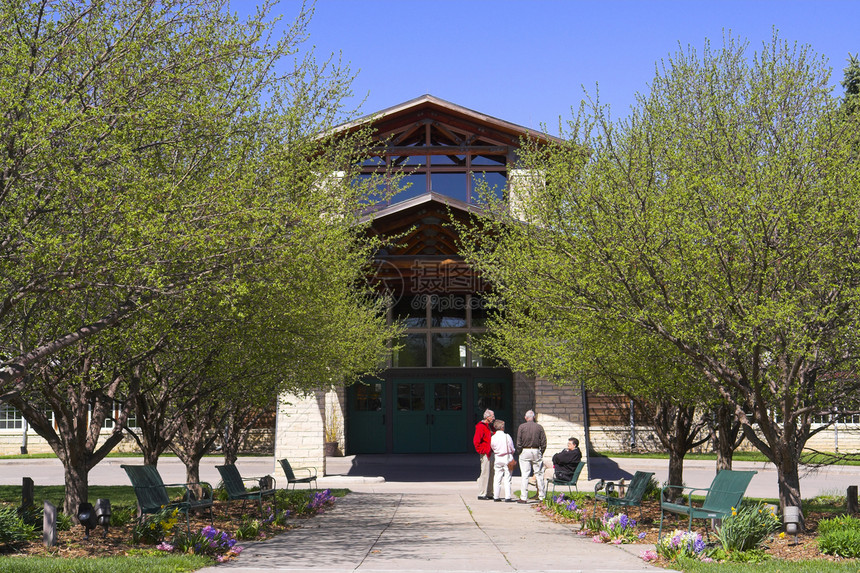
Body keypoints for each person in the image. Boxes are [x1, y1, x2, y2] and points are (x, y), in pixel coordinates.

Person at [516, 409, 547, 503]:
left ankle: (523, 497)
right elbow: (544, 442)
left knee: (525, 475)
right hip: (536, 450)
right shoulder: (539, 427)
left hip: (525, 450)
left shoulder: (521, 427)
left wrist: (519, 451)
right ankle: (542, 496)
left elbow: (518, 442)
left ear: (526, 418)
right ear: (534, 417)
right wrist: (541, 451)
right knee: (539, 474)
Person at [490, 419, 516, 502]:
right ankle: (507, 496)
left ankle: (496, 496)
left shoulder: (493, 437)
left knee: (497, 477)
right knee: (507, 478)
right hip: (506, 457)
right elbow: (512, 448)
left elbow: (492, 447)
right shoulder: (507, 436)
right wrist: (512, 452)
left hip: (498, 457)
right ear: (502, 427)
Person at [473, 408, 495, 500]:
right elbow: (476, 441)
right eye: (492, 416)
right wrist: (482, 451)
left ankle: (490, 492)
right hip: (486, 453)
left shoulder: (490, 426)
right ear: (487, 417)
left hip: (492, 452)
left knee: (492, 473)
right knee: (485, 473)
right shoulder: (481, 426)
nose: (494, 418)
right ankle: (482, 493)